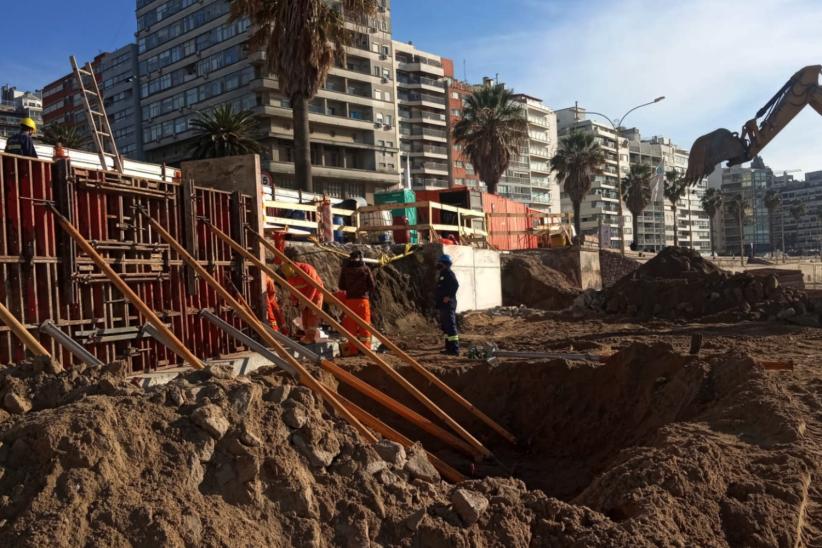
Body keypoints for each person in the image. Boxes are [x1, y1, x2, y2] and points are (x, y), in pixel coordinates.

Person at [338, 249, 376, 356]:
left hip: (350, 301)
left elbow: (341, 286)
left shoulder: (345, 270)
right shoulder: (365, 269)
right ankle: (365, 349)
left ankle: (353, 350)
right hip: (363, 300)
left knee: (351, 326)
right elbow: (372, 286)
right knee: (365, 326)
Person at [281, 261, 324, 344]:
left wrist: (306, 301)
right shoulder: (289, 275)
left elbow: (313, 286)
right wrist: (295, 301)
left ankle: (311, 337)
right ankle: (307, 336)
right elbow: (292, 290)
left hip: (315, 294)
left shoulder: (307, 269)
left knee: (313, 315)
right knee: (305, 316)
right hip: (303, 297)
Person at [435, 254, 460, 356]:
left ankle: (454, 349)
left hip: (448, 304)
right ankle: (448, 348)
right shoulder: (443, 273)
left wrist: (449, 296)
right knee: (446, 328)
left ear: (445, 263)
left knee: (450, 326)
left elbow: (455, 285)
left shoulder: (448, 273)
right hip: (443, 305)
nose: (438, 264)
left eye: (440, 262)